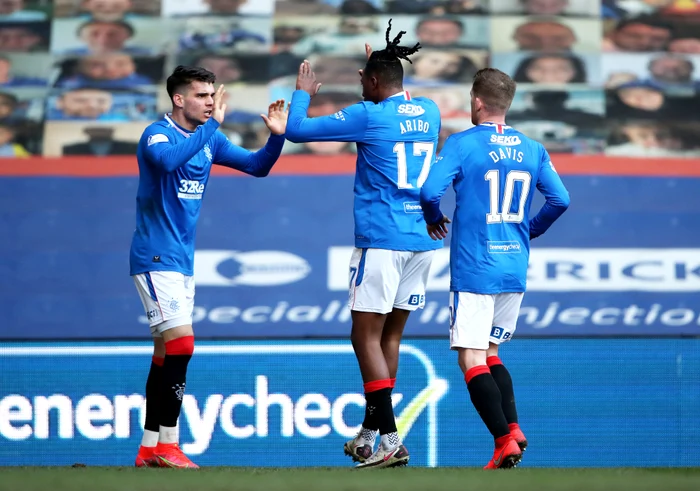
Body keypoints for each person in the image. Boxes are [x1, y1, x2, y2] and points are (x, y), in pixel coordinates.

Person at [285, 20, 442, 469]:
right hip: (421, 241)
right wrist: (378, 72)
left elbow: (296, 130)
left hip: (381, 240)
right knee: (391, 334)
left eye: (363, 79)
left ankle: (389, 437)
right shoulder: (429, 110)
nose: (360, 85)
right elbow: (394, 98)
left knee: (363, 336)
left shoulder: (368, 116)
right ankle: (373, 432)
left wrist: (304, 93)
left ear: (373, 81)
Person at [130, 65, 288, 469]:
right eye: (202, 95)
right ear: (179, 99)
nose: (210, 102)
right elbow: (166, 163)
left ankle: (149, 448)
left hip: (182, 260)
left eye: (212, 94)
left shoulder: (209, 138)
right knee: (183, 344)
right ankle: (169, 444)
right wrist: (211, 127)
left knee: (166, 352)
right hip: (156, 255)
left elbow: (257, 166)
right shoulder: (157, 134)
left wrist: (277, 136)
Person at [419, 68, 570, 469]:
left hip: (475, 265)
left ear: (478, 101)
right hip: (513, 265)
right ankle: (514, 429)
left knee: (470, 357)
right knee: (490, 351)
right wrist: (528, 231)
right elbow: (560, 200)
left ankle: (504, 440)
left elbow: (430, 191)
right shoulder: (533, 148)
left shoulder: (462, 144)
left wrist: (433, 216)